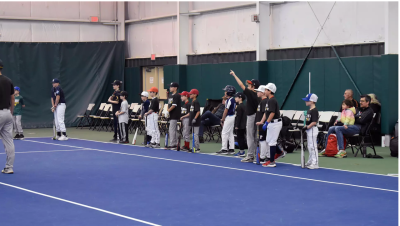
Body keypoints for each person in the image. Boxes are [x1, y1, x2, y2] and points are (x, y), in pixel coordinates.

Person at [230, 70, 261, 163]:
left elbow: (241, 85)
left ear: (253, 87)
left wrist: (234, 75)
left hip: (252, 117)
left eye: (250, 85)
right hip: (256, 116)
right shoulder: (258, 95)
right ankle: (255, 155)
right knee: (254, 137)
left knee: (250, 137)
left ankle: (250, 155)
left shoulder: (252, 93)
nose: (248, 86)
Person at [256, 83, 284, 167]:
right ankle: (279, 152)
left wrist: (267, 122)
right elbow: (266, 113)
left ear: (270, 91)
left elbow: (272, 113)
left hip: (275, 123)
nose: (264, 91)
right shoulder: (268, 100)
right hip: (271, 123)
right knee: (268, 141)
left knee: (272, 142)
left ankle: (272, 161)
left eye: (266, 90)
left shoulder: (272, 100)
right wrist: (262, 122)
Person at [0, 59, 16, 174]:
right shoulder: (8, 81)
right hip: (7, 114)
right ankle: (9, 167)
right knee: (9, 141)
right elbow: (12, 98)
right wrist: (11, 112)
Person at [216, 85, 236, 155]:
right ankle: (231, 148)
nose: (225, 92)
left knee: (224, 133)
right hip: (233, 116)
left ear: (229, 93)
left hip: (229, 117)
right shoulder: (233, 99)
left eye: (226, 91)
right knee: (230, 133)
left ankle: (224, 148)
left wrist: (223, 119)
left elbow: (226, 110)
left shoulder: (228, 100)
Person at [302, 93, 319, 169]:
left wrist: (307, 127)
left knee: (313, 146)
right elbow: (308, 121)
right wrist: (305, 127)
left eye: (307, 100)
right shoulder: (309, 110)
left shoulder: (314, 110)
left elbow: (314, 122)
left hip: (312, 129)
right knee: (309, 146)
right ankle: (310, 161)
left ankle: (315, 163)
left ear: (312, 101)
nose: (305, 102)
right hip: (309, 129)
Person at [254, 85, 270, 164]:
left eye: (259, 91)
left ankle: (263, 157)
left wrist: (262, 122)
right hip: (262, 124)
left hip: (262, 124)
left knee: (262, 140)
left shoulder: (264, 102)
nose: (257, 92)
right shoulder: (263, 101)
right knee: (264, 140)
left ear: (263, 93)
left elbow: (265, 114)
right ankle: (266, 156)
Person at [165, 82, 181, 150]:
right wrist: (167, 111)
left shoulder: (176, 95)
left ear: (175, 88)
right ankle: (174, 143)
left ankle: (173, 144)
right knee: (171, 129)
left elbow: (174, 105)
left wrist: (168, 111)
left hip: (174, 115)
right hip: (170, 115)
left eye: (171, 87)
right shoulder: (171, 95)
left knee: (172, 130)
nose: (170, 88)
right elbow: (169, 104)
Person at [234, 92, 247, 157]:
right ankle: (241, 151)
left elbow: (239, 117)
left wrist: (237, 125)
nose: (235, 98)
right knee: (241, 138)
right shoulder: (243, 106)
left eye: (236, 97)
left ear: (240, 98)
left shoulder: (239, 107)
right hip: (243, 125)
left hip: (240, 126)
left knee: (240, 138)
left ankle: (242, 151)